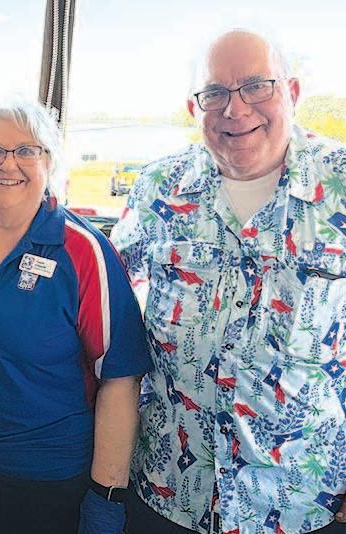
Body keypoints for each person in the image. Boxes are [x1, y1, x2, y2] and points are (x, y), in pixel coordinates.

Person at [112, 29, 346, 534]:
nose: (235, 109)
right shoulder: (157, 189)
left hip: (305, 503)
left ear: (292, 92)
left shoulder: (341, 184)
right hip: (172, 494)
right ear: (193, 108)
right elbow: (104, 307)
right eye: (215, 92)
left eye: (257, 86)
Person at [0, 100, 152, 533]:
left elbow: (120, 376)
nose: (8, 164)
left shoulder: (82, 251)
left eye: (26, 150)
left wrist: (106, 496)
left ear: (50, 162)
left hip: (53, 475)